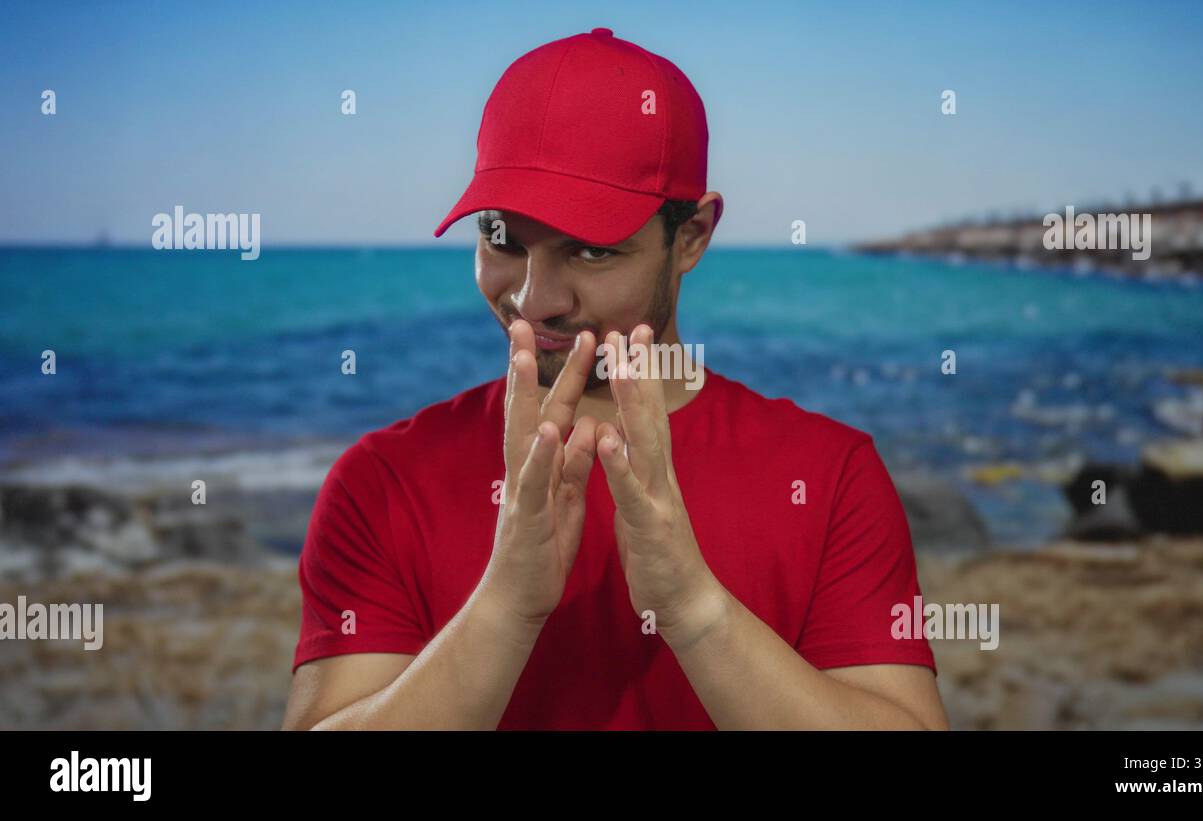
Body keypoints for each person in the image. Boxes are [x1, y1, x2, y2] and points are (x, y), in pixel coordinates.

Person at [282, 27, 947, 730]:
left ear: (690, 237)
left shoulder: (830, 473)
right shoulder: (381, 481)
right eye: (503, 239)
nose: (535, 298)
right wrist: (504, 605)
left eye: (591, 250)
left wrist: (693, 607)